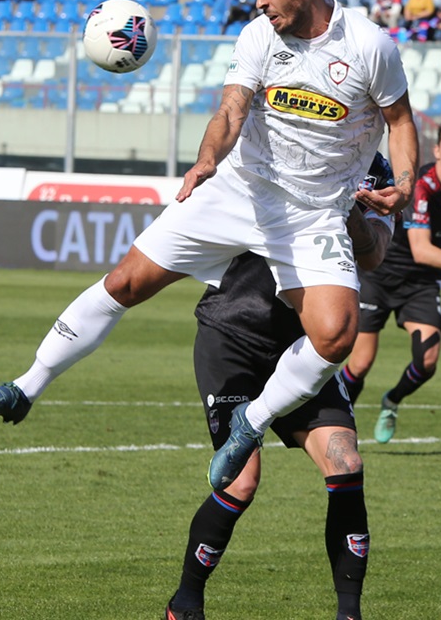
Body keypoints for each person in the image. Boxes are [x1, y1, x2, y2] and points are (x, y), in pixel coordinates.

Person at [0, 0, 420, 501]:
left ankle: (251, 422)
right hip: (238, 189)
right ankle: (24, 387)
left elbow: (399, 122)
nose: (259, 2)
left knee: (336, 334)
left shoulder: (370, 46)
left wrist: (403, 186)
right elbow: (231, 109)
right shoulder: (257, 37)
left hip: (313, 212)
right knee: (125, 281)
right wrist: (207, 160)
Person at [165, 154, 395, 620]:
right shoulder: (283, 141)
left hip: (305, 347)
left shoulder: (379, 174)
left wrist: (347, 206)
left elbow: (373, 255)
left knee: (346, 461)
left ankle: (349, 613)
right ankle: (186, 601)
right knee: (243, 481)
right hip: (232, 333)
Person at [341, 121, 441, 444]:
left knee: (427, 362)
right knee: (359, 364)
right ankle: (341, 423)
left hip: (420, 283)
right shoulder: (421, 188)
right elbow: (421, 249)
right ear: (437, 151)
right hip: (381, 274)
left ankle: (391, 401)